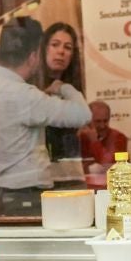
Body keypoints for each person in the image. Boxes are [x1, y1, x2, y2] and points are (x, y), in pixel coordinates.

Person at [0, 15, 90, 215]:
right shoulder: (26, 95)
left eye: (67, 47)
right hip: (25, 194)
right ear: (34, 56)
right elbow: (82, 114)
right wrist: (64, 88)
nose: (60, 51)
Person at [40, 20, 85, 174]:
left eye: (68, 47)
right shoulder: (30, 86)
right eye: (55, 44)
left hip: (68, 171)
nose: (61, 52)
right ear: (45, 48)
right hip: (38, 173)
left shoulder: (73, 90)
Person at [76, 100, 128, 180]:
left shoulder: (118, 137)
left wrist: (95, 142)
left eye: (105, 121)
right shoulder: (80, 137)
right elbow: (74, 169)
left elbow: (109, 166)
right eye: (98, 121)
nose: (102, 126)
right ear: (88, 120)